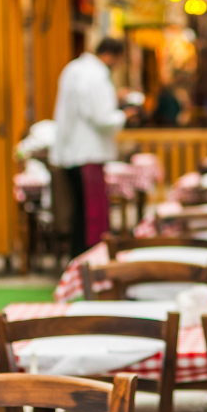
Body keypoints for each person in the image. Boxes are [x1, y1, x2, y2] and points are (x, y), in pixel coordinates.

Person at [52, 37, 136, 257]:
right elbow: (101, 117)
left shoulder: (74, 69)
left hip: (71, 152)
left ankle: (79, 263)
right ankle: (92, 263)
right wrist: (124, 115)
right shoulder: (95, 76)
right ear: (110, 55)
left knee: (79, 214)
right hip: (88, 153)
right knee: (93, 216)